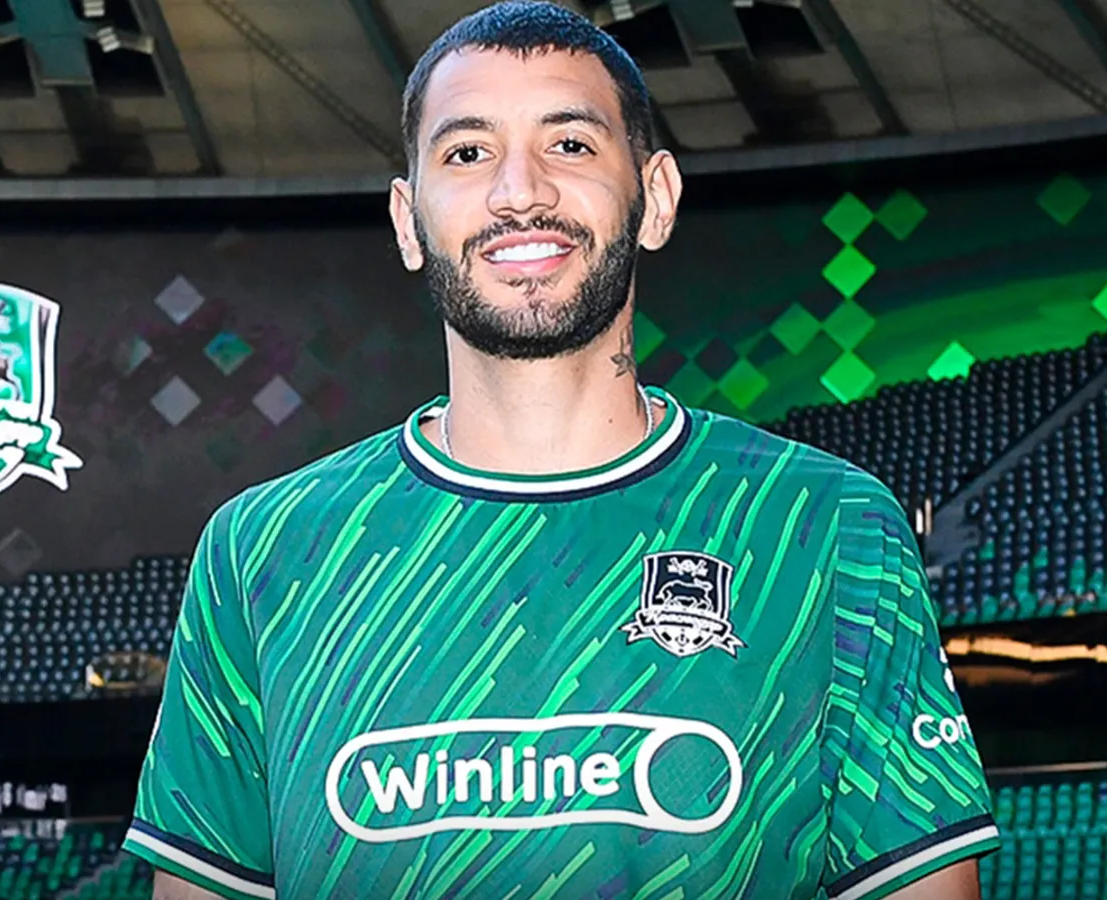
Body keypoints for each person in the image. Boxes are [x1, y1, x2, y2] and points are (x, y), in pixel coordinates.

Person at [122, 3, 999, 898]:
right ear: (408, 221)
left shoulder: (823, 528)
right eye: (468, 152)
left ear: (655, 198)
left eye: (570, 144)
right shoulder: (265, 551)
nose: (520, 192)